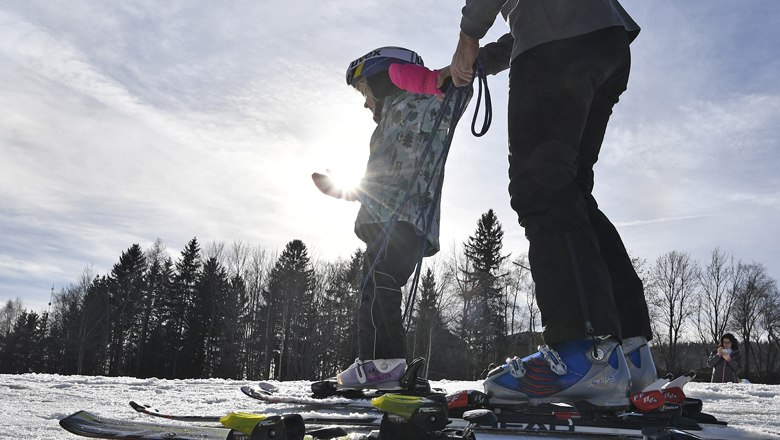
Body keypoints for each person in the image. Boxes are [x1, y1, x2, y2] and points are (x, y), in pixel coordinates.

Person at [445, 0, 658, 410]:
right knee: (571, 188)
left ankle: (585, 353)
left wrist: (468, 36)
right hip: (604, 38)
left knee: (540, 187)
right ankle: (628, 352)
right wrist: (479, 63)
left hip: (558, 44)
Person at [312, 47, 468, 390]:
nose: (365, 103)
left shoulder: (423, 97)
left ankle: (385, 365)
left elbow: (451, 84)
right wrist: (342, 189)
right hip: (386, 218)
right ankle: (378, 365)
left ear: (379, 75)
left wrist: (455, 70)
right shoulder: (391, 120)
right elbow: (384, 178)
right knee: (373, 285)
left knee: (380, 278)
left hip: (404, 219)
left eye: (364, 92)